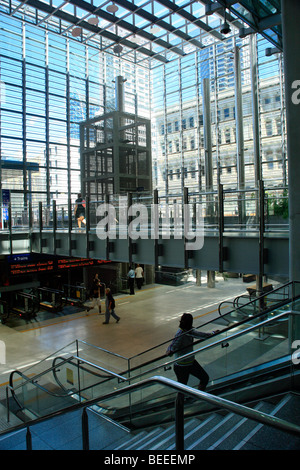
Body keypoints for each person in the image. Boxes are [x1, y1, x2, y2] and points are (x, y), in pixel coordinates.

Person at [166, 313, 216, 391]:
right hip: (182, 366)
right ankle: (195, 397)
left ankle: (197, 396)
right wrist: (169, 351)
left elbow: (200, 334)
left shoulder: (188, 331)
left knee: (202, 379)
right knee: (183, 388)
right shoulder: (181, 334)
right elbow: (173, 346)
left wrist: (212, 333)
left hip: (189, 362)